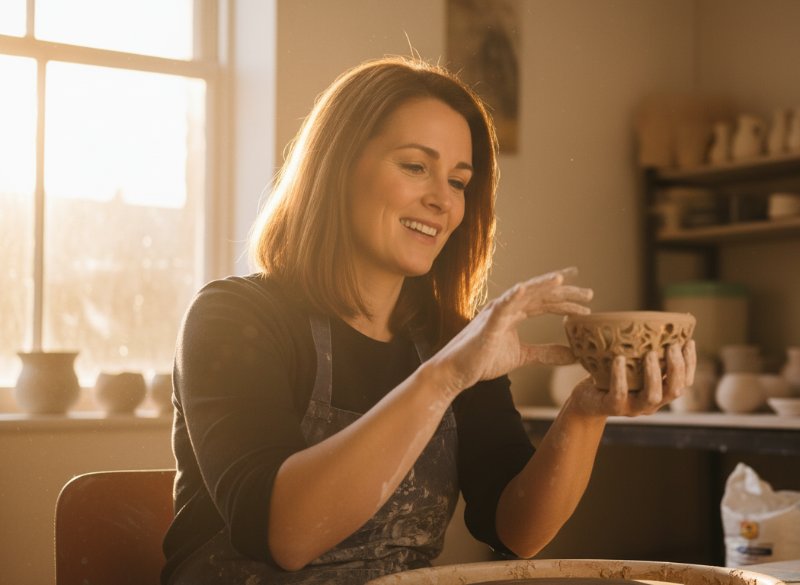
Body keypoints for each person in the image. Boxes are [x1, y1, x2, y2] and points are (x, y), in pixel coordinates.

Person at [162, 56, 696, 585]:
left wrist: (584, 413)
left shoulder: (450, 339)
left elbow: (515, 531)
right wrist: (446, 375)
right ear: (336, 167)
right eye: (415, 166)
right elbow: (289, 536)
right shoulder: (232, 318)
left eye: (459, 181)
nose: (443, 200)